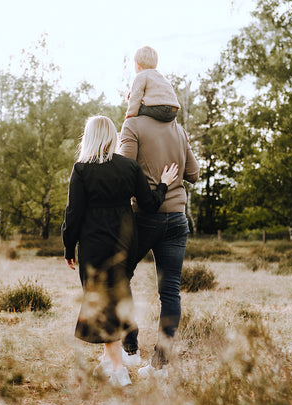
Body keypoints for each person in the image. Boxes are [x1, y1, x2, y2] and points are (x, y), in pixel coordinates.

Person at [63, 115, 179, 387]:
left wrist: (69, 245)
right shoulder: (129, 167)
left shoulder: (81, 169)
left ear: (89, 137)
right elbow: (150, 203)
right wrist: (163, 184)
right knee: (114, 299)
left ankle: (118, 370)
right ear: (113, 137)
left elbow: (73, 213)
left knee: (102, 304)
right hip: (126, 244)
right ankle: (109, 361)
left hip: (94, 246)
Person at [119, 95, 199, 379]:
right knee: (170, 292)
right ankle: (160, 366)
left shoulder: (133, 126)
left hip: (144, 217)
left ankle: (129, 349)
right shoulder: (179, 129)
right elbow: (193, 173)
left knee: (119, 275)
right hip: (177, 218)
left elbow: (122, 172)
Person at [125, 46, 181, 123]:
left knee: (138, 106)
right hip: (173, 111)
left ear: (137, 65)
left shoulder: (141, 75)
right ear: (155, 65)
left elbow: (135, 97)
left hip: (158, 109)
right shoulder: (161, 77)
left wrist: (130, 115)